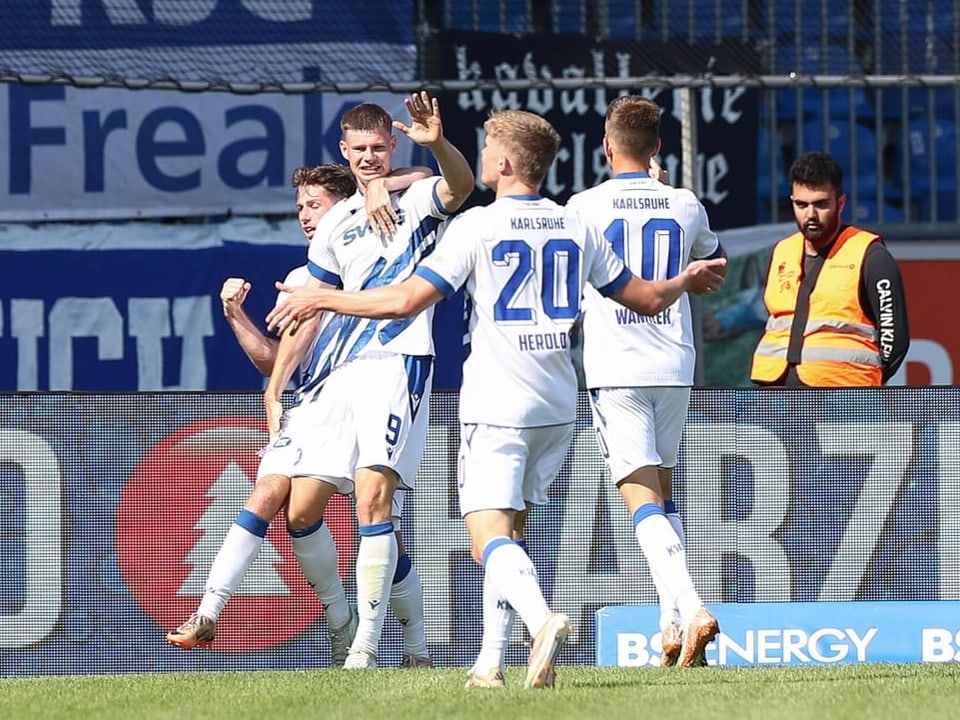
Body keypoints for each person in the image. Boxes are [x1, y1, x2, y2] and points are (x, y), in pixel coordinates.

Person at [266, 109, 726, 687]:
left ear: (505, 163)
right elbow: (646, 299)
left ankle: (541, 620)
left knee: (489, 538)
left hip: (498, 403)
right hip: (557, 403)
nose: (482, 155)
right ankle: (490, 664)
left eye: (486, 146)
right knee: (512, 536)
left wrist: (325, 301)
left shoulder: (477, 226)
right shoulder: (573, 224)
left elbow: (406, 300)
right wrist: (684, 280)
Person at [165, 163, 434, 668]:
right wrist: (236, 316)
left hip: (378, 380)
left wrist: (379, 184)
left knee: (379, 522)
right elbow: (277, 357)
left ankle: (411, 645)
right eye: (300, 208)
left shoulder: (381, 243)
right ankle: (223, 613)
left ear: (344, 204)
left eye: (314, 205)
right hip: (318, 400)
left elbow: (428, 173)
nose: (306, 217)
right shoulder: (301, 278)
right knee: (285, 503)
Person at [262, 92, 475, 670]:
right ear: (344, 150)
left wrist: (438, 148)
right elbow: (312, 306)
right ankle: (403, 639)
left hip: (400, 361)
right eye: (360, 150)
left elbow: (459, 186)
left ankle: (364, 648)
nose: (370, 158)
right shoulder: (336, 219)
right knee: (303, 509)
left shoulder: (420, 195)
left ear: (395, 145)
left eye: (380, 148)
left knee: (371, 505)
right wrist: (276, 384)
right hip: (340, 378)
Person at [565, 95, 725, 667]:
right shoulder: (685, 204)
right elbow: (715, 263)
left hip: (616, 365)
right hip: (674, 363)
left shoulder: (580, 207)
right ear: (658, 147)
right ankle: (671, 627)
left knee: (637, 496)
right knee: (663, 492)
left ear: (606, 147)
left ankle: (693, 604)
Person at [750, 151, 910, 386]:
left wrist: (862, 381)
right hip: (776, 394)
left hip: (844, 398)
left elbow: (895, 342)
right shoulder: (781, 251)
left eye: (821, 204)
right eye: (801, 205)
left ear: (841, 202)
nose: (810, 215)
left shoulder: (871, 256)